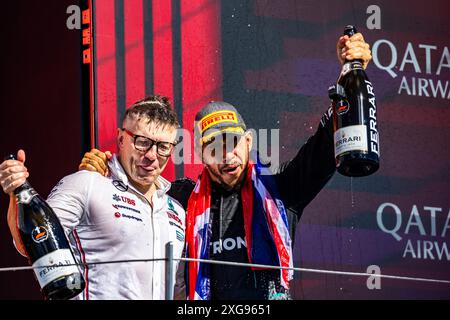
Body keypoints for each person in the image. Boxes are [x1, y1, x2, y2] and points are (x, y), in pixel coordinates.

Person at [80, 32, 373, 300]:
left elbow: (326, 144)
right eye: (213, 148)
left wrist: (352, 69)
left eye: (232, 143)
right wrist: (103, 170)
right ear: (200, 155)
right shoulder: (181, 197)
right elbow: (134, 186)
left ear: (248, 141)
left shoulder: (281, 188)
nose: (226, 157)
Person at [0, 96, 186, 300]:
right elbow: (29, 244)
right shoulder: (87, 184)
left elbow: (177, 289)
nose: (152, 155)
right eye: (142, 142)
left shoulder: (176, 211)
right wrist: (15, 191)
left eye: (163, 147)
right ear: (121, 138)